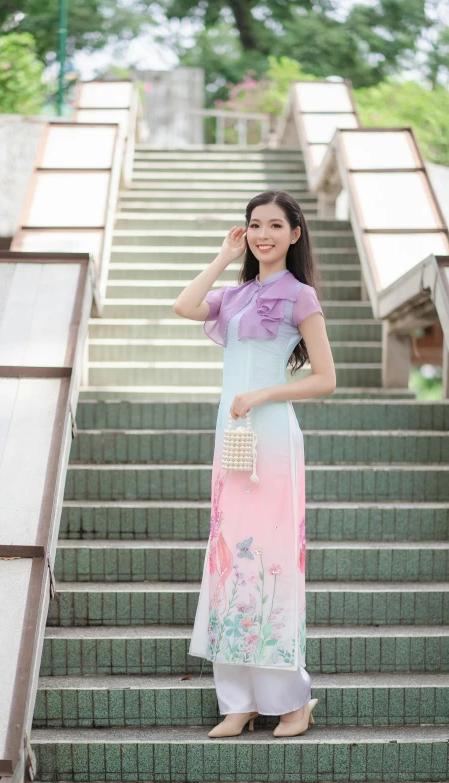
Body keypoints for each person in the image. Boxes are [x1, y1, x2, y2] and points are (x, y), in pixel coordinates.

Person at [172, 189, 336, 738]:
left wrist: (265, 395)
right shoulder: (236, 295)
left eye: (274, 225)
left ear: (294, 233)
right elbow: (183, 306)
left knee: (269, 567)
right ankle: (237, 701)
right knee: (228, 564)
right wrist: (223, 255)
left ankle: (292, 702)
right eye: (254, 225)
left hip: (272, 442)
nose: (263, 234)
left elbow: (325, 379)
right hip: (231, 440)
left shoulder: (301, 297)